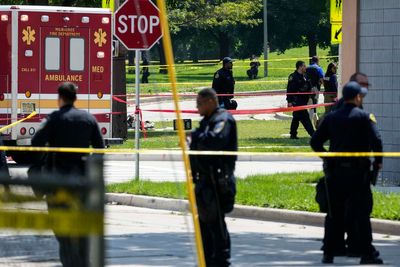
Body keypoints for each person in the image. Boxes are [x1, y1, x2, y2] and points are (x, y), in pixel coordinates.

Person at [32, 82, 105, 267]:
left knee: (61, 229)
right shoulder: (88, 119)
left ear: (60, 98)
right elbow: (100, 148)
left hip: (58, 182)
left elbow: (36, 141)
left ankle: (70, 262)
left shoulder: (54, 119)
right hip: (82, 182)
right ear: (75, 98)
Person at [310, 81, 384, 265]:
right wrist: (378, 163)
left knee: (334, 213)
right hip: (358, 174)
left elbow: (315, 141)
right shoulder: (365, 117)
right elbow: (377, 141)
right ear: (358, 97)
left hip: (335, 174)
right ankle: (366, 253)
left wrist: (327, 157)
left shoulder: (331, 118)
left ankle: (329, 252)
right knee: (361, 213)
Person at [189, 88, 237, 267]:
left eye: (199, 104)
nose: (197, 108)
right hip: (203, 181)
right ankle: (207, 260)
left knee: (215, 224)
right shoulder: (207, 121)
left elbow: (216, 140)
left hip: (217, 181)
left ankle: (221, 261)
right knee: (204, 226)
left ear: (210, 101)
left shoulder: (223, 119)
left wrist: (194, 136)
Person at [286, 60, 315, 139]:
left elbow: (308, 87)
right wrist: (289, 101)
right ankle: (313, 134)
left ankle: (293, 134)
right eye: (304, 66)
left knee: (296, 117)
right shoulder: (293, 76)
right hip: (297, 101)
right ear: (300, 67)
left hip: (304, 100)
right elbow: (289, 90)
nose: (305, 67)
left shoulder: (305, 76)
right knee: (305, 117)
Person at [306, 56, 324, 125]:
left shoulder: (307, 68)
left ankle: (308, 121)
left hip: (307, 90)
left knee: (308, 105)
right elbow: (322, 79)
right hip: (315, 89)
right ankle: (312, 122)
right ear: (317, 61)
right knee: (314, 105)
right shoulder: (319, 68)